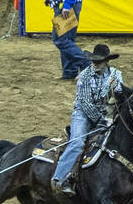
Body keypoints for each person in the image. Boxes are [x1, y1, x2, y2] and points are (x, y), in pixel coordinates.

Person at [51, 44, 124, 195]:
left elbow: (119, 96)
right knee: (77, 142)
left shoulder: (116, 75)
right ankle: (59, 178)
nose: (95, 64)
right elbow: (85, 103)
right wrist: (101, 121)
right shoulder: (84, 76)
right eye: (93, 61)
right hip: (82, 114)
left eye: (98, 61)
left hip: (105, 114)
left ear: (106, 62)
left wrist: (116, 91)